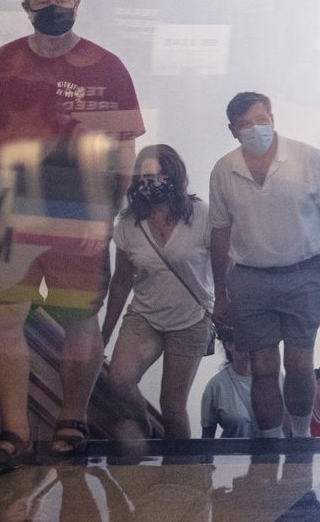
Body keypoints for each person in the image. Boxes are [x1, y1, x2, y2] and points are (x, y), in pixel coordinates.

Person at [0, 0, 142, 475]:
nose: (52, 7)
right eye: (40, 0)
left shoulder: (106, 66)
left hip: (80, 213)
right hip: (7, 211)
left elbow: (125, 142)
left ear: (78, 1)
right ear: (25, 7)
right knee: (4, 319)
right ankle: (14, 431)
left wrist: (112, 208)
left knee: (79, 319)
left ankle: (72, 419)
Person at [208, 91, 320, 439]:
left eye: (262, 121)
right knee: (262, 367)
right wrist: (220, 294)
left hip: (304, 274)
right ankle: (270, 445)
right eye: (245, 125)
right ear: (232, 130)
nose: (256, 129)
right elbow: (220, 234)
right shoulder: (225, 169)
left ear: (273, 118)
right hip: (250, 279)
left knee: (299, 365)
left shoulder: (309, 159)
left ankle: (301, 438)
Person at [102, 144, 215, 440]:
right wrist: (104, 334)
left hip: (190, 320)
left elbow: (225, 266)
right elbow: (121, 281)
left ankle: (182, 474)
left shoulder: (201, 215)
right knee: (119, 379)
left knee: (173, 406)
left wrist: (228, 308)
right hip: (145, 317)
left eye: (160, 174)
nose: (152, 181)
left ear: (174, 175)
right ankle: (143, 426)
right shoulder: (128, 225)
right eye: (145, 175)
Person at [200, 339, 256, 439]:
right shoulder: (216, 385)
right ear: (229, 345)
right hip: (233, 452)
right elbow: (207, 438)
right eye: (244, 336)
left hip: (272, 453)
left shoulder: (275, 376)